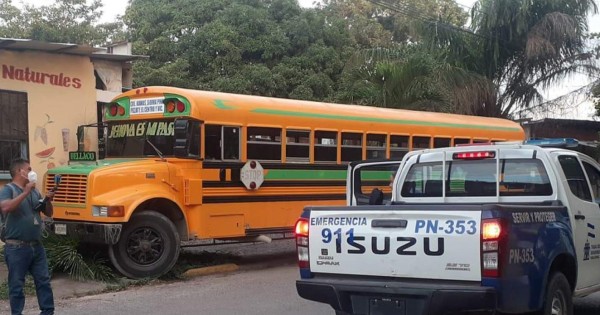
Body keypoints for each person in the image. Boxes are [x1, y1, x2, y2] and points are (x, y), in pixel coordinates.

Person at [0, 158, 55, 315]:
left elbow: (48, 213)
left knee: (43, 281)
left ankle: (47, 312)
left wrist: (48, 200)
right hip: (16, 247)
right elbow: (6, 207)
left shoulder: (34, 191)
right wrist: (25, 192)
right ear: (19, 172)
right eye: (29, 169)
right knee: (17, 285)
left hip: (36, 246)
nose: (32, 172)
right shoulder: (8, 189)